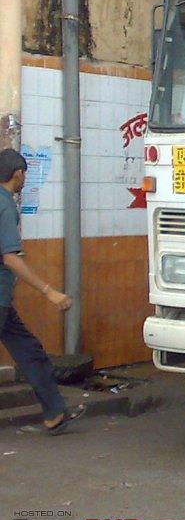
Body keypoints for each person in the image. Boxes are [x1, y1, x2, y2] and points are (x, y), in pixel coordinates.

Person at [0, 149, 85, 434]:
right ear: (18, 174)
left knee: (29, 351)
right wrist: (49, 291)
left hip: (3, 301)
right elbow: (10, 257)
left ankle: (55, 412)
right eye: (25, 173)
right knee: (29, 351)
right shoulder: (5, 205)